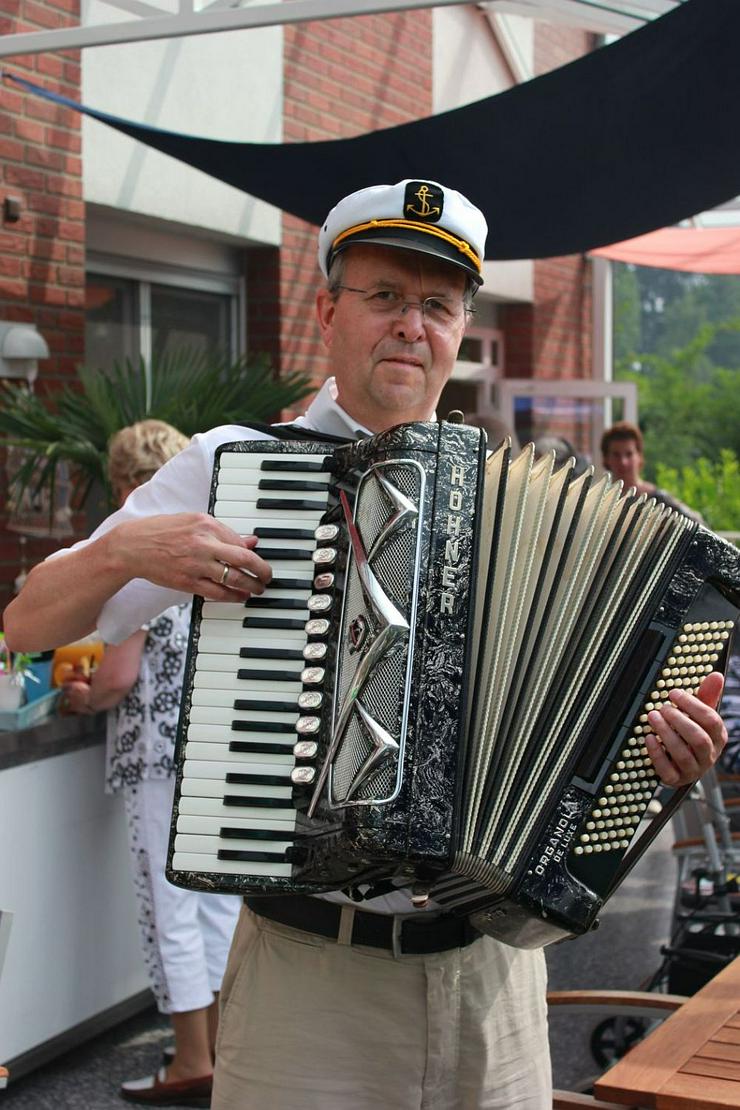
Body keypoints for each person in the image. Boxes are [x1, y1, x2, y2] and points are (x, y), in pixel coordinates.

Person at [4, 179, 729, 1110]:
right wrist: (129, 548)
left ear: (461, 326)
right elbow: (29, 623)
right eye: (384, 296)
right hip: (310, 982)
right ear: (327, 311)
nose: (409, 326)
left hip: (490, 982)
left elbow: (587, 764)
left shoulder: (532, 508)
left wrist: (660, 764)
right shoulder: (231, 467)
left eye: (436, 305)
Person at [60, 420, 240, 1108]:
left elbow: (118, 676)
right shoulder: (215, 535)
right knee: (219, 904)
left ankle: (190, 1059)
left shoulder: (137, 547)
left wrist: (82, 696)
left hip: (157, 754)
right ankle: (225, 1050)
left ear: (125, 481)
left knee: (170, 909)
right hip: (215, 747)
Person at [601, 420, 702, 520]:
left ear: (639, 456)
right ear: (606, 458)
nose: (623, 462)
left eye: (629, 454)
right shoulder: (601, 503)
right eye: (616, 455)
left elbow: (699, 524)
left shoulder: (660, 500)